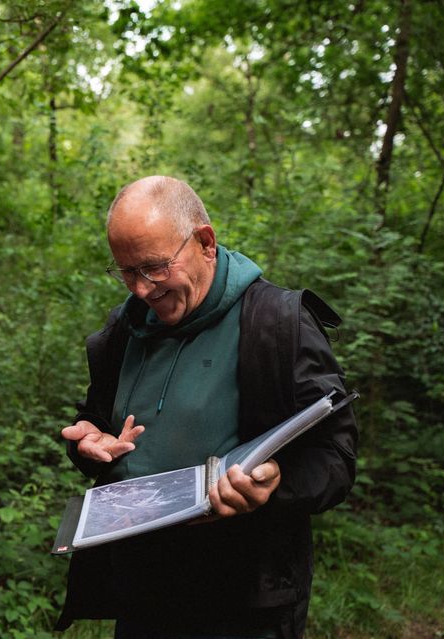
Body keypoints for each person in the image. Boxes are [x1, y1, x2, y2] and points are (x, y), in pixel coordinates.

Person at [57, 176, 358, 639]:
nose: (141, 289)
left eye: (154, 268)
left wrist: (277, 483)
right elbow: (96, 418)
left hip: (244, 603)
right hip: (142, 594)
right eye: (127, 272)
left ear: (205, 242)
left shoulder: (277, 322)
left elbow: (335, 456)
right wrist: (89, 441)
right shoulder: (125, 329)